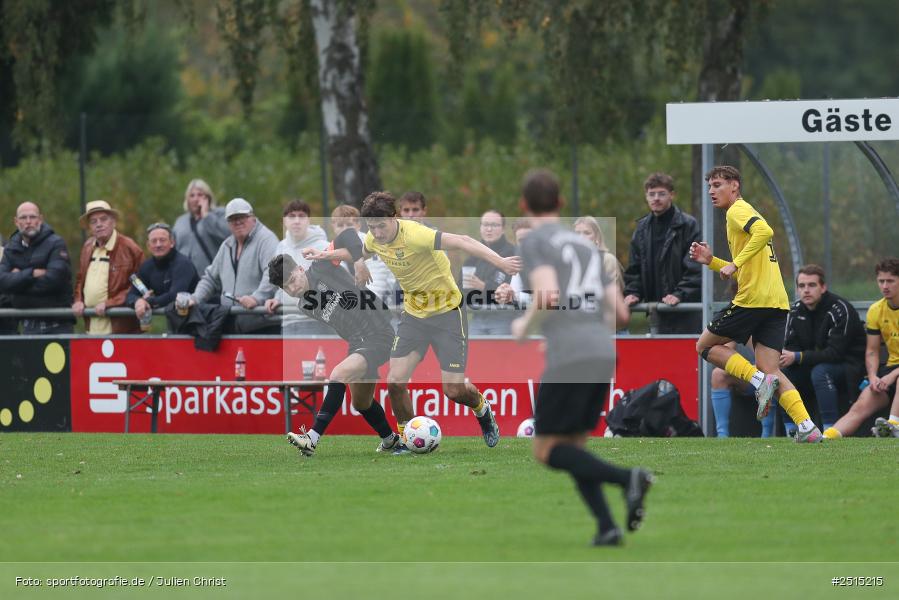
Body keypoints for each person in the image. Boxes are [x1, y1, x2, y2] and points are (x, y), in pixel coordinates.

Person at [511, 169, 653, 547]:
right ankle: (607, 527)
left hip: (570, 354)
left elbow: (547, 295)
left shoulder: (536, 241)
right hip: (603, 351)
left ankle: (628, 478)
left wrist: (524, 327)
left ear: (524, 205)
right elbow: (622, 315)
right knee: (573, 448)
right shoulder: (589, 248)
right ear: (559, 203)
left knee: (546, 450)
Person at [358, 191, 521, 446]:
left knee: (453, 390)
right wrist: (359, 261)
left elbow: (464, 240)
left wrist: (500, 262)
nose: (376, 232)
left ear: (393, 217)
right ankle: (406, 439)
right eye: (371, 227)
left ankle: (482, 408)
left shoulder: (416, 234)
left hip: (448, 314)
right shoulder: (372, 237)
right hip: (414, 316)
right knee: (395, 381)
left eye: (380, 225)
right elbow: (360, 248)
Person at [689, 165, 823, 443]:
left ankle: (758, 382)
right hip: (776, 302)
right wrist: (711, 261)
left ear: (734, 186)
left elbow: (765, 231)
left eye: (717, 184)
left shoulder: (738, 210)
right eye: (710, 186)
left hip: (752, 300)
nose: (712, 191)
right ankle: (807, 427)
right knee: (771, 369)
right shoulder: (742, 213)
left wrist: (735, 262)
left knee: (704, 346)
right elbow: (745, 266)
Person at [266, 233, 405, 455]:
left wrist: (358, 262)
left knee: (338, 374)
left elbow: (347, 236)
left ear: (301, 269)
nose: (292, 289)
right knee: (361, 403)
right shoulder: (304, 305)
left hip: (379, 332)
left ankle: (311, 438)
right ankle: (390, 440)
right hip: (358, 343)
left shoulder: (321, 266)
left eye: (292, 280)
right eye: (286, 288)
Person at [779, 264, 866, 435]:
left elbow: (835, 353)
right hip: (812, 365)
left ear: (823, 287)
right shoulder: (795, 310)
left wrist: (797, 357)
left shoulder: (840, 309)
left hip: (848, 367)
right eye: (802, 286)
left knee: (820, 372)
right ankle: (790, 432)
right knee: (782, 375)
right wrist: (789, 357)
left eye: (812, 285)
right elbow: (791, 346)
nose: (806, 290)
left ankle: (829, 431)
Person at [824, 258, 899, 439]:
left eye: (890, 281)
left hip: (894, 375)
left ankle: (893, 426)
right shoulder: (875, 310)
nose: (885, 286)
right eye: (881, 281)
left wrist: (893, 375)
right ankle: (826, 437)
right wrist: (873, 376)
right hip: (889, 371)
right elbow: (872, 351)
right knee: (862, 404)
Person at [623, 172, 702, 333]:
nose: (656, 198)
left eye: (661, 194)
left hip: (685, 310)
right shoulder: (641, 229)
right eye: (651, 194)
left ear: (672, 195)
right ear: (646, 196)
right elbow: (634, 268)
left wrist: (679, 294)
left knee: (687, 356)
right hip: (656, 313)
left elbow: (696, 267)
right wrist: (633, 292)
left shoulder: (688, 225)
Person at [190, 198, 280, 334]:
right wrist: (195, 299)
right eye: (232, 219)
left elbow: (274, 273)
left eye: (242, 216)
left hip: (263, 325)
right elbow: (210, 278)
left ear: (252, 217)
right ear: (228, 223)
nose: (238, 222)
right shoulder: (227, 245)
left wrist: (256, 298)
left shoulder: (267, 240)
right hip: (231, 325)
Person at [0, 202, 75, 334]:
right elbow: (2, 281)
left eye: (32, 217)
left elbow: (54, 281)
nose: (28, 221)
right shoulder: (11, 248)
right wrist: (32, 273)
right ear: (16, 222)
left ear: (40, 219)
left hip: (58, 326)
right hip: (28, 327)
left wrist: (17, 285)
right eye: (23, 218)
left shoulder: (56, 243)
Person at [73, 200, 144, 334]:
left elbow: (141, 285)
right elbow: (79, 280)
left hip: (122, 328)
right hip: (92, 327)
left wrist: (109, 303)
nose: (99, 224)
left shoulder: (129, 247)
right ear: (89, 227)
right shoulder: (87, 247)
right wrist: (78, 300)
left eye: (103, 219)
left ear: (113, 222)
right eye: (93, 221)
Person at [126, 223, 199, 329]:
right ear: (148, 245)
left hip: (194, 323)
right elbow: (131, 295)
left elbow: (174, 296)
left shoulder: (183, 264)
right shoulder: (147, 266)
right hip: (169, 325)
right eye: (154, 241)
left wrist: (148, 301)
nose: (158, 244)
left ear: (172, 242)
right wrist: (138, 302)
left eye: (162, 240)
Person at [273, 200, 330, 334]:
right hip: (287, 321)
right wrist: (276, 299)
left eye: (302, 216)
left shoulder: (324, 247)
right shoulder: (281, 247)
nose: (297, 221)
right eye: (292, 216)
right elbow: (280, 284)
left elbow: (338, 283)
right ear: (284, 221)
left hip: (317, 322)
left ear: (309, 220)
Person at [462, 210, 517, 334]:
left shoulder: (511, 254)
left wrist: (483, 286)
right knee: (475, 353)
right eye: (485, 225)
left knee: (501, 353)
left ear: (503, 229)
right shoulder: (472, 256)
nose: (489, 229)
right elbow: (461, 287)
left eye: (494, 225)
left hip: (503, 316)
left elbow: (511, 290)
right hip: (476, 316)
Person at [329, 204, 396, 305]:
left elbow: (377, 285)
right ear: (333, 227)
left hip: (385, 303)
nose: (345, 230)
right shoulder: (330, 250)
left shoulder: (372, 244)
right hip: (352, 306)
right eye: (340, 225)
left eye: (349, 225)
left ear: (358, 225)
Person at [710, 342, 776, 438]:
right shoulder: (741, 327)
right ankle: (722, 435)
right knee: (718, 374)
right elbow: (722, 356)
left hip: (774, 373)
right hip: (750, 374)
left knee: (768, 374)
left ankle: (766, 435)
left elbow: (771, 360)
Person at [173, 179, 230, 277]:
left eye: (200, 195)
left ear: (208, 197)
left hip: (213, 277)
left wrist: (206, 215)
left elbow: (227, 235)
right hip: (185, 278)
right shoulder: (180, 221)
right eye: (192, 195)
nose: (195, 199)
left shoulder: (220, 214)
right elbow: (174, 248)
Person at [574, 215, 624, 290]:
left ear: (597, 237)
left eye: (587, 233)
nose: (581, 237)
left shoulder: (607, 260)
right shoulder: (568, 262)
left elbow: (615, 296)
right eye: (577, 233)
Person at [495, 217, 533, 307]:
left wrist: (515, 296)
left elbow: (552, 298)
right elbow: (515, 295)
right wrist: (504, 293)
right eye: (521, 241)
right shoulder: (520, 264)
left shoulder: (554, 260)